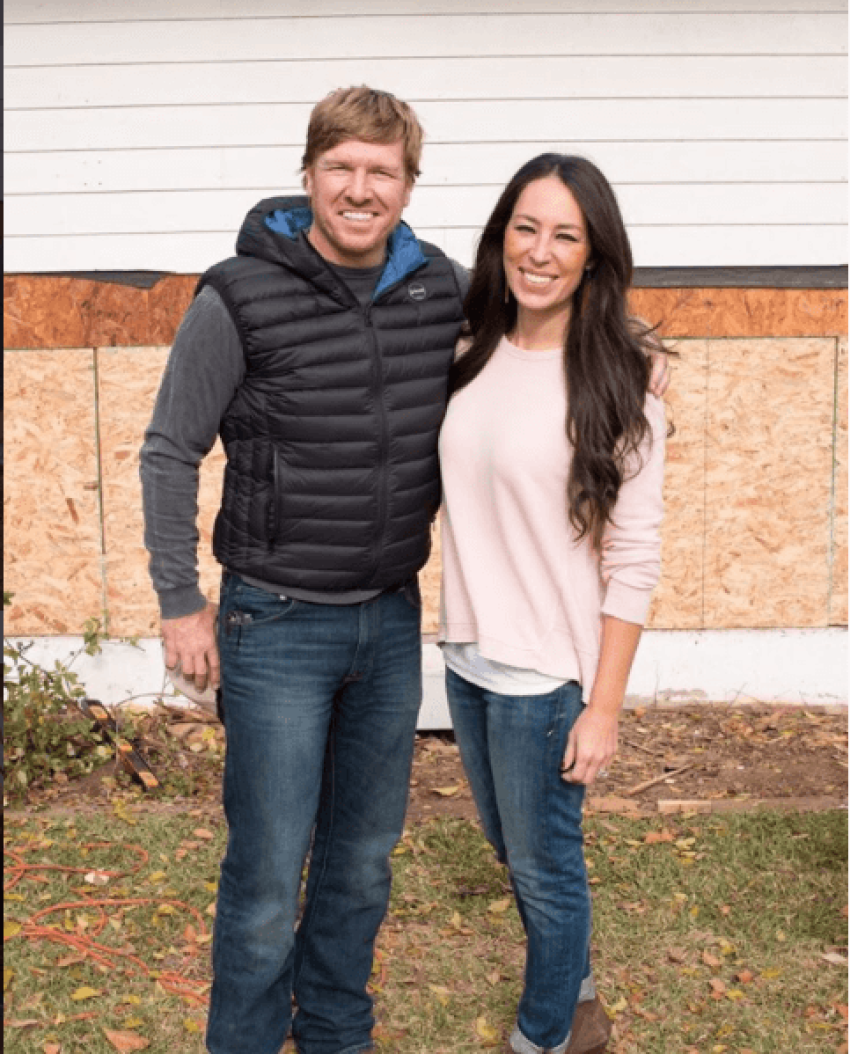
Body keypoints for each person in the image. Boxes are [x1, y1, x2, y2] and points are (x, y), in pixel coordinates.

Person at [141, 85, 669, 1054]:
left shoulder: (435, 295)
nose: (358, 187)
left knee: (359, 868)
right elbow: (169, 449)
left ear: (408, 185)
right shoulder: (238, 293)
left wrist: (622, 348)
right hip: (275, 625)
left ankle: (338, 1037)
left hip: (388, 627)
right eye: (339, 166)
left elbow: (551, 341)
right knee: (264, 881)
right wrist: (180, 599)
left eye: (380, 170)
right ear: (307, 176)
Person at [439, 154, 667, 1054]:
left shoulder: (621, 384)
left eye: (565, 235)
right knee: (517, 856)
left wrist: (602, 708)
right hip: (466, 658)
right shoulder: (470, 350)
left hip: (546, 676)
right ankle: (579, 1001)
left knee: (545, 871)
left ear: (592, 255)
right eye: (526, 228)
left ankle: (544, 1039)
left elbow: (634, 559)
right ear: (501, 238)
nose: (541, 251)